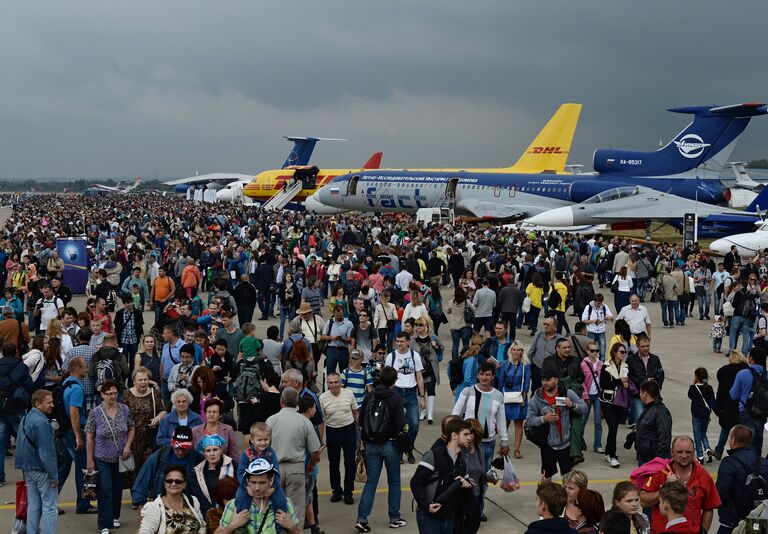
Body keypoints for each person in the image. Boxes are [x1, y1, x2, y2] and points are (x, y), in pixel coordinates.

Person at [355, 366, 407, 532]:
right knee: (394, 482)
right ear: (394, 380)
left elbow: (362, 420)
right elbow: (400, 423)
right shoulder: (396, 398)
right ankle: (394, 517)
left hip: (371, 445)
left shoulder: (370, 396)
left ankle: (362, 518)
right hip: (390, 444)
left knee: (371, 483)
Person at [640, 435, 721, 534]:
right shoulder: (659, 473)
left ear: (694, 451)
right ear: (671, 451)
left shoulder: (704, 476)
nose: (684, 456)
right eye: (679, 452)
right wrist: (664, 487)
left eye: (688, 452)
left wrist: (703, 531)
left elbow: (709, 507)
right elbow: (643, 501)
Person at [266, 387, 322, 528]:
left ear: (281, 401)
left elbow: (263, 447)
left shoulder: (271, 420)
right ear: (297, 402)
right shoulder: (304, 422)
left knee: (275, 505)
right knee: (296, 508)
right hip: (297, 467)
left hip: (275, 468)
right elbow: (315, 451)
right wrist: (310, 465)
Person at [86, 379, 135, 534]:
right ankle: (104, 524)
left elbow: (131, 428)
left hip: (120, 457)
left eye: (115, 393)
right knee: (105, 489)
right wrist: (89, 459)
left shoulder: (124, 409)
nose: (113, 396)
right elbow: (90, 437)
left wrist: (127, 446)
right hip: (102, 458)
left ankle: (114, 516)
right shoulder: (95, 413)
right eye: (109, 394)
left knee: (117, 489)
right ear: (102, 395)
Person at [410, 417, 474, 534]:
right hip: (430, 518)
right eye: (465, 434)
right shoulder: (434, 455)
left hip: (449, 517)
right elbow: (416, 482)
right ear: (454, 435)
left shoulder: (461, 462)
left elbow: (466, 491)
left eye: (469, 434)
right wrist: (426, 506)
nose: (469, 437)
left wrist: (467, 486)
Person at [526, 366, 586, 481]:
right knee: (547, 476)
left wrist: (573, 405)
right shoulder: (537, 398)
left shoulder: (567, 393)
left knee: (569, 477)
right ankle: (545, 498)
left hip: (566, 444)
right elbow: (529, 421)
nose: (545, 383)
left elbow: (584, 408)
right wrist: (544, 419)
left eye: (548, 380)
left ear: (556, 380)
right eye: (543, 380)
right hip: (548, 445)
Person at [215, 458, 302, 534]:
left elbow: (297, 531)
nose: (257, 488)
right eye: (253, 482)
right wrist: (232, 526)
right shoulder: (234, 505)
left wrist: (292, 527)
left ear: (271, 481)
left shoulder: (285, 504)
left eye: (262, 483)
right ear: (247, 482)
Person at [132, 425, 204, 513]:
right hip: (162, 508)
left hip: (190, 507)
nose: (180, 452)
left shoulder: (198, 459)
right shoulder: (159, 456)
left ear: (191, 445)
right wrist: (141, 507)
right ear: (172, 442)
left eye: (184, 449)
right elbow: (142, 481)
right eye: (177, 448)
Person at [16, 389, 59, 534]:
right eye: (49, 402)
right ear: (38, 404)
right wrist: (54, 475)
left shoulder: (26, 418)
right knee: (50, 507)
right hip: (42, 470)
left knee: (33, 505)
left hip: (27, 468)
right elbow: (47, 454)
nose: (52, 405)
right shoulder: (42, 423)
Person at [57, 357, 96, 514]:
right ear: (78, 369)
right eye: (85, 367)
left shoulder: (67, 383)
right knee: (86, 468)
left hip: (65, 432)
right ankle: (83, 504)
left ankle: (50, 501)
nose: (87, 369)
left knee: (63, 469)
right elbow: (74, 414)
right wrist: (79, 437)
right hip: (75, 432)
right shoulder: (77, 389)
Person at [715, 424, 768, 534]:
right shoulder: (763, 462)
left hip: (733, 521)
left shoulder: (728, 463)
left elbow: (721, 494)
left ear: (733, 440)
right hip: (757, 518)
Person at [384, 331, 426, 464]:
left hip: (411, 393)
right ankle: (399, 451)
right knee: (397, 425)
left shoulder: (415, 356)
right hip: (396, 393)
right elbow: (386, 376)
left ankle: (408, 448)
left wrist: (422, 397)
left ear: (408, 342)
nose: (399, 344)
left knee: (414, 423)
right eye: (397, 341)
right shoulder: (391, 356)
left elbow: (419, 377)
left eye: (402, 341)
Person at [124, 366, 166, 490]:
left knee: (148, 465)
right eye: (140, 380)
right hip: (132, 437)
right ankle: (135, 494)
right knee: (133, 467)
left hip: (149, 436)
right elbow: (122, 415)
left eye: (145, 379)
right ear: (134, 381)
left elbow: (163, 411)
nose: (143, 382)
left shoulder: (154, 393)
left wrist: (158, 419)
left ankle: (147, 492)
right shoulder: (127, 394)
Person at [320, 371, 359, 504]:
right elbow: (322, 420)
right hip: (332, 432)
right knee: (334, 463)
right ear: (327, 384)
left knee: (350, 462)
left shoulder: (349, 394)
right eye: (331, 383)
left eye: (336, 382)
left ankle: (348, 492)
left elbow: (355, 412)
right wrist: (321, 438)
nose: (334, 385)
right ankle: (336, 490)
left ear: (341, 383)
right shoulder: (323, 398)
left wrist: (360, 430)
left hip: (349, 430)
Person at [0, 340, 35, 485]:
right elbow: (29, 385)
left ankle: (0, 477)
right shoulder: (21, 367)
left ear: (2, 351)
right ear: (16, 352)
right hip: (16, 407)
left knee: (0, 444)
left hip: (0, 408)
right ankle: (28, 476)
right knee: (24, 442)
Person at [138, 464, 206, 534]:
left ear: (184, 484)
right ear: (164, 483)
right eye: (169, 481)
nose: (173, 484)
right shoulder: (154, 507)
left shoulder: (193, 501)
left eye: (178, 481)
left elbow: (202, 526)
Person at [729, 347, 768, 456]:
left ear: (751, 359)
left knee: (746, 442)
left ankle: (747, 466)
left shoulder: (743, 373)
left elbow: (733, 395)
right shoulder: (766, 374)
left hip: (746, 411)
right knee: (758, 441)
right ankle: (756, 467)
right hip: (762, 412)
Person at [187, 434, 237, 517]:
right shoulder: (197, 471)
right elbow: (198, 495)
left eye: (215, 449)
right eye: (208, 450)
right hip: (206, 515)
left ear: (221, 450)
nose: (212, 454)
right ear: (203, 453)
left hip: (231, 513)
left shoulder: (233, 466)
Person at [713, 350, 749, 460]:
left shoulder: (725, 372)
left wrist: (718, 408)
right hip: (743, 405)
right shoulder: (747, 371)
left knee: (726, 429)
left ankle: (719, 450)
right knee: (743, 431)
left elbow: (721, 392)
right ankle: (743, 451)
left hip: (728, 405)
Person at [499, 340, 530, 459]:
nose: (516, 352)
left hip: (519, 395)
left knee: (518, 423)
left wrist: (524, 397)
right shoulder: (506, 364)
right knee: (504, 423)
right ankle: (503, 446)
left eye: (519, 350)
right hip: (506, 393)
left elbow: (526, 382)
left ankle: (517, 449)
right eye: (514, 349)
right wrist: (499, 396)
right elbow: (501, 380)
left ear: (522, 352)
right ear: (511, 351)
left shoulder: (525, 365)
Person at [625, 334, 665, 423]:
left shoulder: (655, 359)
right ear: (638, 347)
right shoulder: (631, 360)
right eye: (643, 346)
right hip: (637, 395)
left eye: (647, 346)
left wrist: (657, 386)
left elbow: (661, 374)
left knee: (653, 421)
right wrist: (644, 382)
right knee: (640, 420)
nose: (646, 348)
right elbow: (628, 377)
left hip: (652, 396)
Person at [635, 379, 673, 466]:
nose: (640, 395)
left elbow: (664, 436)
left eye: (641, 392)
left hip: (652, 458)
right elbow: (647, 428)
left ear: (646, 394)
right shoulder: (648, 408)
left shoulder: (660, 412)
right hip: (644, 456)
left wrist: (659, 458)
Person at [687, 367, 718, 464]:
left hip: (696, 415)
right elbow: (713, 401)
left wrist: (694, 383)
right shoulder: (709, 387)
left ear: (696, 377)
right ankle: (708, 452)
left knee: (697, 435)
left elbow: (690, 396)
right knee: (703, 433)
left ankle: (700, 456)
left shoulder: (693, 388)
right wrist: (717, 412)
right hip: (706, 414)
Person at [580, 340, 604, 455]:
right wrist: (585, 395)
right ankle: (579, 441)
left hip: (598, 395)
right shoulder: (583, 364)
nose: (595, 353)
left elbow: (603, 380)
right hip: (587, 395)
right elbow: (581, 381)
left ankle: (598, 444)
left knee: (598, 421)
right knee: (583, 420)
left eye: (597, 350)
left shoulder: (600, 364)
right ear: (587, 351)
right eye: (592, 350)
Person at [321, 304, 355, 375]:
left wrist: (342, 339)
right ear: (334, 314)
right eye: (337, 316)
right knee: (330, 371)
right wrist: (331, 337)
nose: (339, 317)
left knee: (344, 372)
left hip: (343, 349)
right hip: (332, 349)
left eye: (340, 316)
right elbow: (323, 336)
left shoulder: (349, 324)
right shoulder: (330, 322)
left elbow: (351, 339)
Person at [581, 293, 613, 361]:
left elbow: (611, 317)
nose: (599, 305)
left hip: (601, 331)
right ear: (594, 301)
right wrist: (593, 321)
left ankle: (601, 368)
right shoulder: (588, 307)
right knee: (591, 352)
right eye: (598, 303)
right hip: (591, 331)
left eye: (600, 303)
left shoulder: (604, 307)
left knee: (602, 353)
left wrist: (605, 318)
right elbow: (583, 320)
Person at [115, 294, 143, 367]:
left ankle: (132, 377)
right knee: (123, 361)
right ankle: (124, 376)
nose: (130, 304)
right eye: (128, 303)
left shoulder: (137, 313)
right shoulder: (119, 314)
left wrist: (142, 340)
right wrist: (115, 342)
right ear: (124, 304)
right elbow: (117, 328)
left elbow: (140, 327)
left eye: (131, 302)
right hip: (123, 341)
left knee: (134, 361)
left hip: (134, 340)